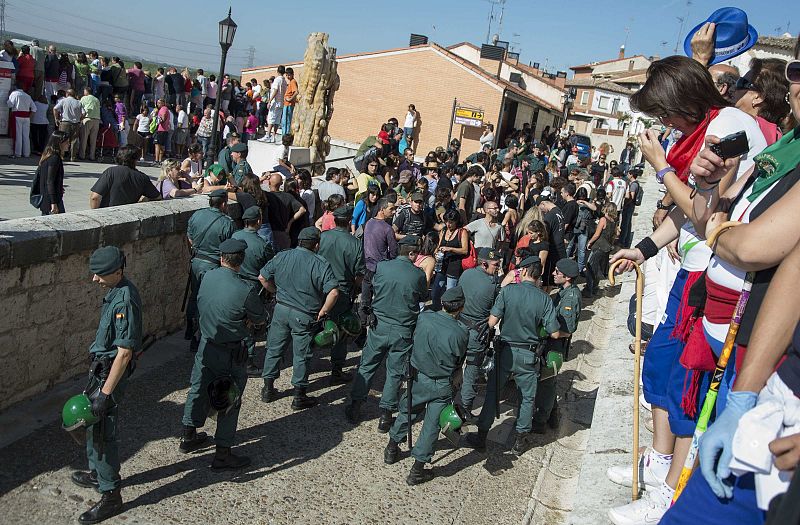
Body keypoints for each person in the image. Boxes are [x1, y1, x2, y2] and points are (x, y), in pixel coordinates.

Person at [179, 238, 267, 470]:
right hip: (230, 352)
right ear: (241, 261)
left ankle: (188, 433)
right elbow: (260, 318)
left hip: (207, 345)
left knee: (198, 388)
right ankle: (222, 453)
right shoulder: (245, 289)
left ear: (221, 258)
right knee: (228, 399)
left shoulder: (207, 276)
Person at [69, 246, 142, 524]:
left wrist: (105, 394)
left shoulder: (124, 300)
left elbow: (124, 353)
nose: (94, 280)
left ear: (118, 272)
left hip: (110, 376)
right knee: (92, 427)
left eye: (100, 275)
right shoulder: (115, 291)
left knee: (103, 433)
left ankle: (111, 495)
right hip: (101, 370)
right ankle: (96, 474)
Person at [465, 255, 560, 455]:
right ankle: (520, 440)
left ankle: (482, 436)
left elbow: (491, 322)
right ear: (538, 275)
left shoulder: (508, 292)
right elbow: (555, 333)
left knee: (492, 393)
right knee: (527, 397)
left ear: (523, 271)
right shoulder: (544, 299)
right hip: (528, 355)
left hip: (505, 352)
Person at [384, 286, 469, 485]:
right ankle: (417, 469)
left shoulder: (424, 318)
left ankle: (391, 448)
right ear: (460, 308)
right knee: (432, 425)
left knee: (407, 411)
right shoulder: (461, 332)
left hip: (419, 378)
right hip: (442, 383)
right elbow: (459, 358)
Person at [345, 235, 428, 428]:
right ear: (412, 253)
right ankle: (386, 415)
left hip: (379, 325)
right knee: (395, 371)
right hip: (403, 329)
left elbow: (369, 284)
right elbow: (423, 295)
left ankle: (356, 405)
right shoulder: (417, 274)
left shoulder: (382, 267)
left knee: (367, 365)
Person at [259, 227, 339, 409]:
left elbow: (262, 277)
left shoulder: (282, 256)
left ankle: (267, 389)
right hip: (304, 315)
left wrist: (275, 291)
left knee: (274, 348)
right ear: (316, 245)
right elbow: (333, 292)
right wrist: (324, 311)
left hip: (281, 309)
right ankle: (298, 395)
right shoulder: (320, 263)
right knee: (301, 355)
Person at [533, 258, 582, 433]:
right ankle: (552, 414)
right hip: (552, 343)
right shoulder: (563, 291)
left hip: (556, 346)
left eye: (557, 272)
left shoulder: (570, 298)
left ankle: (540, 422)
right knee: (548, 382)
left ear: (567, 277)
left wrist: (546, 332)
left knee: (546, 384)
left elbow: (567, 330)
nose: (553, 274)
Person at [318, 205, 367, 383]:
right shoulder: (354, 243)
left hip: (320, 288)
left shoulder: (323, 237)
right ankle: (336, 370)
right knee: (340, 331)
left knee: (315, 324)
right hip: (342, 291)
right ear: (349, 221)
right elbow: (360, 273)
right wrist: (355, 287)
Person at [185, 189, 236, 351]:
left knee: (194, 297)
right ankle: (202, 336)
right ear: (223, 203)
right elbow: (230, 249)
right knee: (208, 301)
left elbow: (190, 238)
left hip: (196, 262)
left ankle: (191, 330)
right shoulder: (227, 222)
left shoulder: (197, 215)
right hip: (213, 265)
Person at [457, 248, 502, 418]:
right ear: (484, 264)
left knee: (453, 366)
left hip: (459, 327)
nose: (497, 268)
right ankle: (465, 409)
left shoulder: (466, 275)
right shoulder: (492, 286)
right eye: (495, 265)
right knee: (472, 372)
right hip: (477, 333)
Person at [231, 207, 275, 377]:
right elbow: (269, 268)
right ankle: (248, 361)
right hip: (252, 287)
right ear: (258, 221)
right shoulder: (262, 244)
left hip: (234, 282)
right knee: (248, 324)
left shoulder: (235, 236)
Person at [359, 198, 398, 325]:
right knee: (380, 300)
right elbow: (393, 252)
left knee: (365, 301)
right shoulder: (387, 229)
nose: (394, 212)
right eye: (391, 209)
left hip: (367, 268)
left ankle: (362, 325)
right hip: (380, 270)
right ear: (382, 210)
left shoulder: (368, 223)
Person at [89, 146, 161, 208]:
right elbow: (157, 197)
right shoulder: (142, 177)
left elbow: (94, 197)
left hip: (106, 215)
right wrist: (145, 199)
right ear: (135, 160)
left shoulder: (111, 172)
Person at [432, 209, 469, 311]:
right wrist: (436, 252)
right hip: (442, 265)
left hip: (454, 266)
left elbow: (465, 250)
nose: (448, 224)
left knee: (450, 292)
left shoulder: (462, 232)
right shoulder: (443, 231)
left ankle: (448, 313)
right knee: (436, 290)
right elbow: (439, 246)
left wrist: (451, 249)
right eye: (447, 221)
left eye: (451, 222)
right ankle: (435, 310)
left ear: (456, 221)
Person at [584, 202, 617, 298]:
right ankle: (594, 288)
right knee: (597, 269)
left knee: (590, 267)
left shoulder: (603, 220)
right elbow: (615, 234)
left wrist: (589, 242)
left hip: (598, 246)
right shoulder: (613, 221)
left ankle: (589, 290)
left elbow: (597, 234)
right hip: (606, 248)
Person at [33, 131, 69, 215]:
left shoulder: (47, 156)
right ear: (59, 143)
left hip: (47, 199)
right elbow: (50, 181)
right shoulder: (54, 159)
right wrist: (53, 203)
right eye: (66, 142)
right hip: (52, 200)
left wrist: (59, 186)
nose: (69, 144)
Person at [7, 82, 36, 158]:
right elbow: (34, 109)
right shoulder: (28, 96)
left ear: (15, 87)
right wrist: (29, 116)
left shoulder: (14, 94)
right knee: (26, 136)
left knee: (18, 135)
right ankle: (26, 153)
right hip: (26, 117)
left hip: (17, 115)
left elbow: (9, 105)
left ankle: (18, 153)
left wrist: (8, 97)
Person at [53, 89, 83, 161]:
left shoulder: (63, 101)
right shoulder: (78, 102)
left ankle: (61, 155)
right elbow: (84, 113)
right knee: (74, 140)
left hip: (65, 122)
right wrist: (80, 119)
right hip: (75, 123)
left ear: (67, 94)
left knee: (63, 139)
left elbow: (55, 108)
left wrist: (56, 118)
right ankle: (73, 157)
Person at [79, 87, 101, 161]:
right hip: (96, 120)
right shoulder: (96, 99)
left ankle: (82, 155)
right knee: (93, 140)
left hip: (87, 118)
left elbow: (80, 108)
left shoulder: (84, 98)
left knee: (84, 138)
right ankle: (92, 156)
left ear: (86, 91)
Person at [266, 66, 286, 143]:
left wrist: (270, 101)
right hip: (281, 103)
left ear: (277, 71)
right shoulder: (284, 81)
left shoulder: (277, 80)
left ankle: (268, 135)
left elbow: (275, 90)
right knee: (277, 120)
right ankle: (274, 136)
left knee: (271, 119)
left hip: (275, 102)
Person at [281, 67, 298, 136]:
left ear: (292, 74)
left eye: (289, 75)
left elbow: (296, 92)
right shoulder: (291, 82)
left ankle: (285, 135)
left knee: (286, 121)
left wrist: (290, 99)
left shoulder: (293, 82)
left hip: (289, 104)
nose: (288, 76)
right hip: (286, 104)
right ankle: (284, 135)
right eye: (287, 75)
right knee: (285, 121)